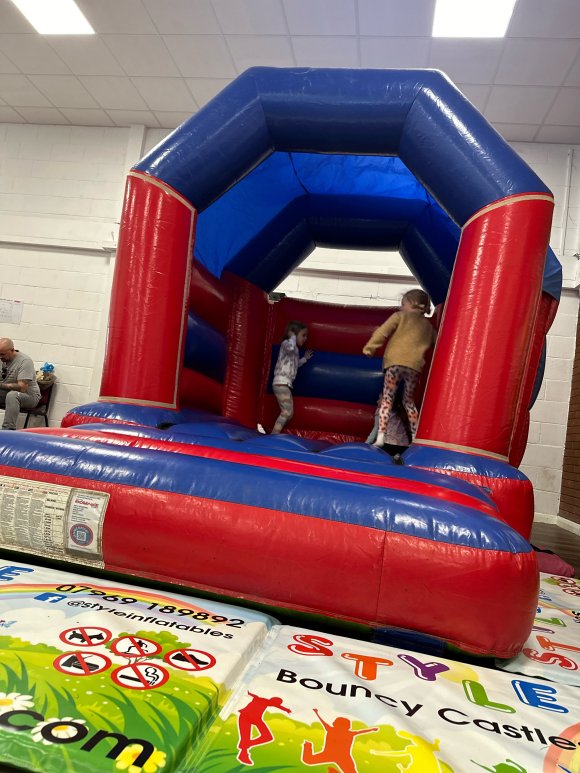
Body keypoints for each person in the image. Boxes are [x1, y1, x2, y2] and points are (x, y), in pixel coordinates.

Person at [363, 289, 435, 447]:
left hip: (395, 363)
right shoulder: (428, 326)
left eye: (403, 304)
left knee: (387, 401)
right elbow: (435, 342)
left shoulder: (399, 317)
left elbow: (383, 332)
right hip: (414, 367)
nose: (401, 308)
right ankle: (415, 436)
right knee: (408, 402)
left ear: (412, 304)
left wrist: (370, 347)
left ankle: (381, 436)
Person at [271, 321, 313, 434]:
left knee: (289, 413)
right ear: (294, 334)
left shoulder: (296, 350)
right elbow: (290, 347)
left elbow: (294, 365)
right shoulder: (287, 344)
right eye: (303, 335)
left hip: (284, 384)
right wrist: (293, 336)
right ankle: (273, 435)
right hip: (281, 383)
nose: (305, 338)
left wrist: (304, 359)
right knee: (286, 412)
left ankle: (276, 433)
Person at [0, 338, 41, 430]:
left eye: (2, 354)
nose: (0, 357)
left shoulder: (25, 361)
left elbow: (22, 387)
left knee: (13, 395)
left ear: (12, 350)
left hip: (29, 396)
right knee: (10, 394)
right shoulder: (1, 359)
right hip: (6, 393)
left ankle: (8, 430)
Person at [366, 389, 411, 459]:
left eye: (379, 398)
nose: (377, 401)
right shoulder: (401, 410)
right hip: (404, 447)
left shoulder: (381, 411)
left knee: (373, 453)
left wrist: (367, 444)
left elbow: (376, 429)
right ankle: (396, 458)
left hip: (389, 445)